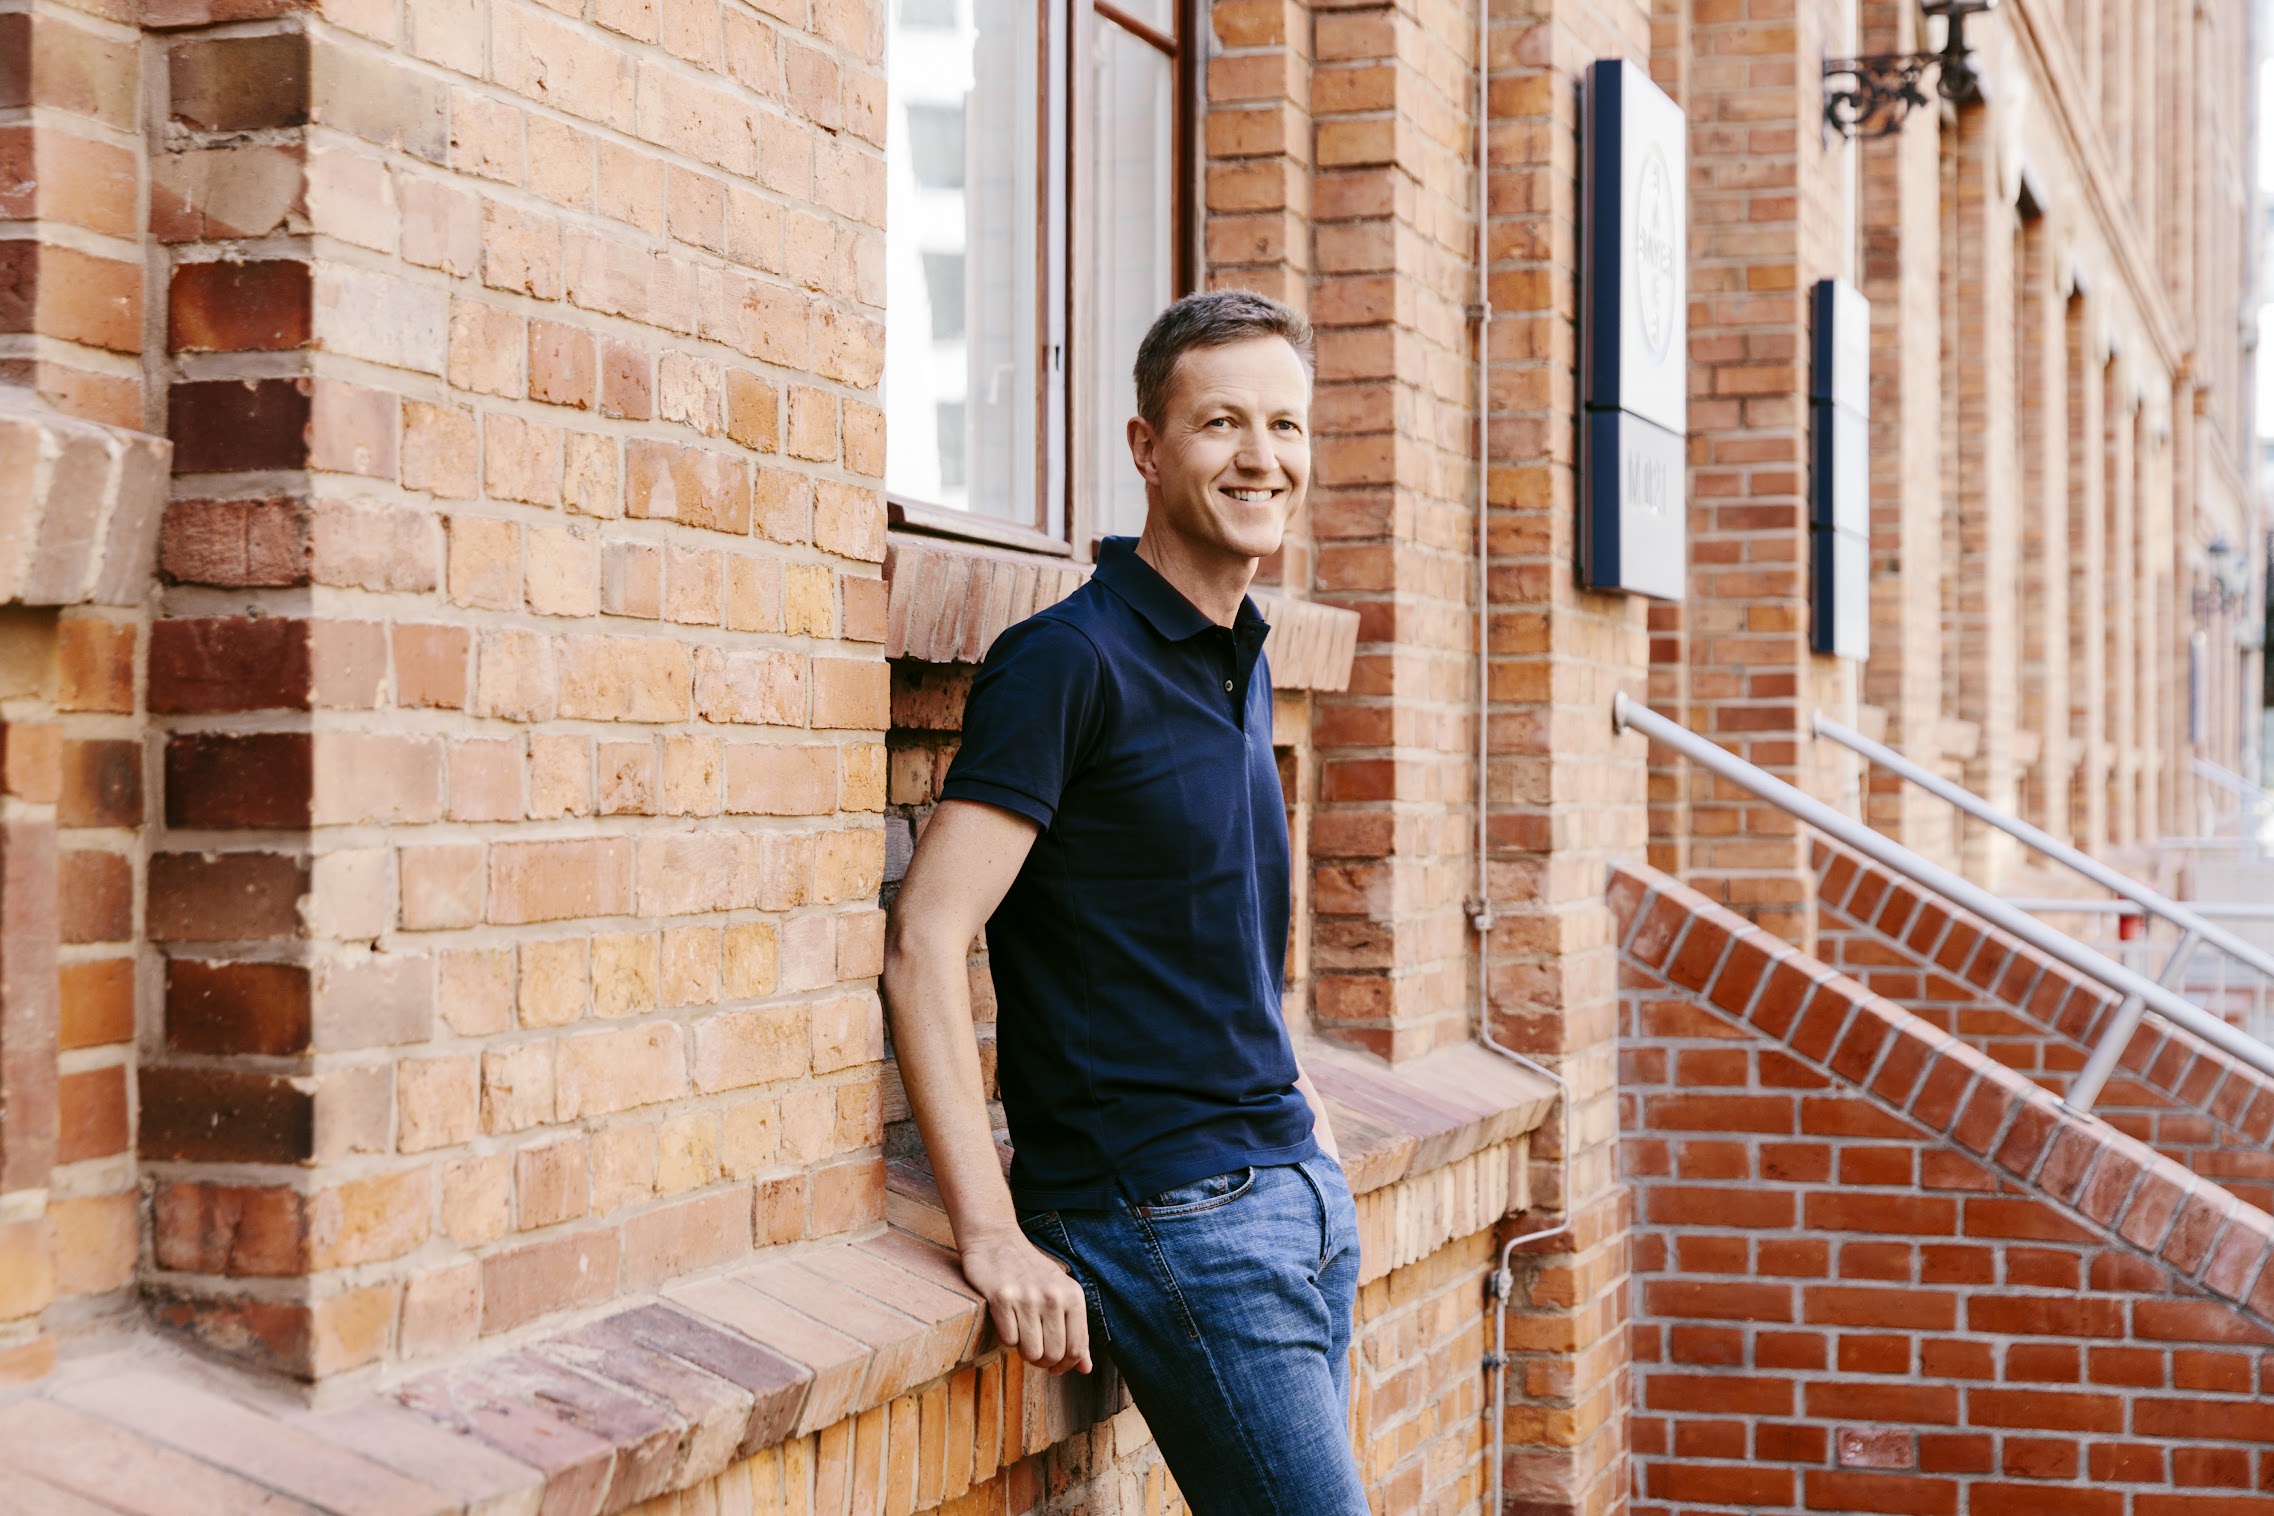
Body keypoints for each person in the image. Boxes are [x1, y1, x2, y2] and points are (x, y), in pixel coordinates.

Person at [881, 290, 1368, 1514]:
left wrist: (1295, 1087)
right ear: (1147, 446)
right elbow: (926, 937)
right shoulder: (1069, 660)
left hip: (1295, 1198)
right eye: (1221, 424)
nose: (1262, 457)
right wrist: (990, 1232)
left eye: (1287, 427)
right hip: (1174, 1218)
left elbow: (1207, 919)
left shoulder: (1236, 651)